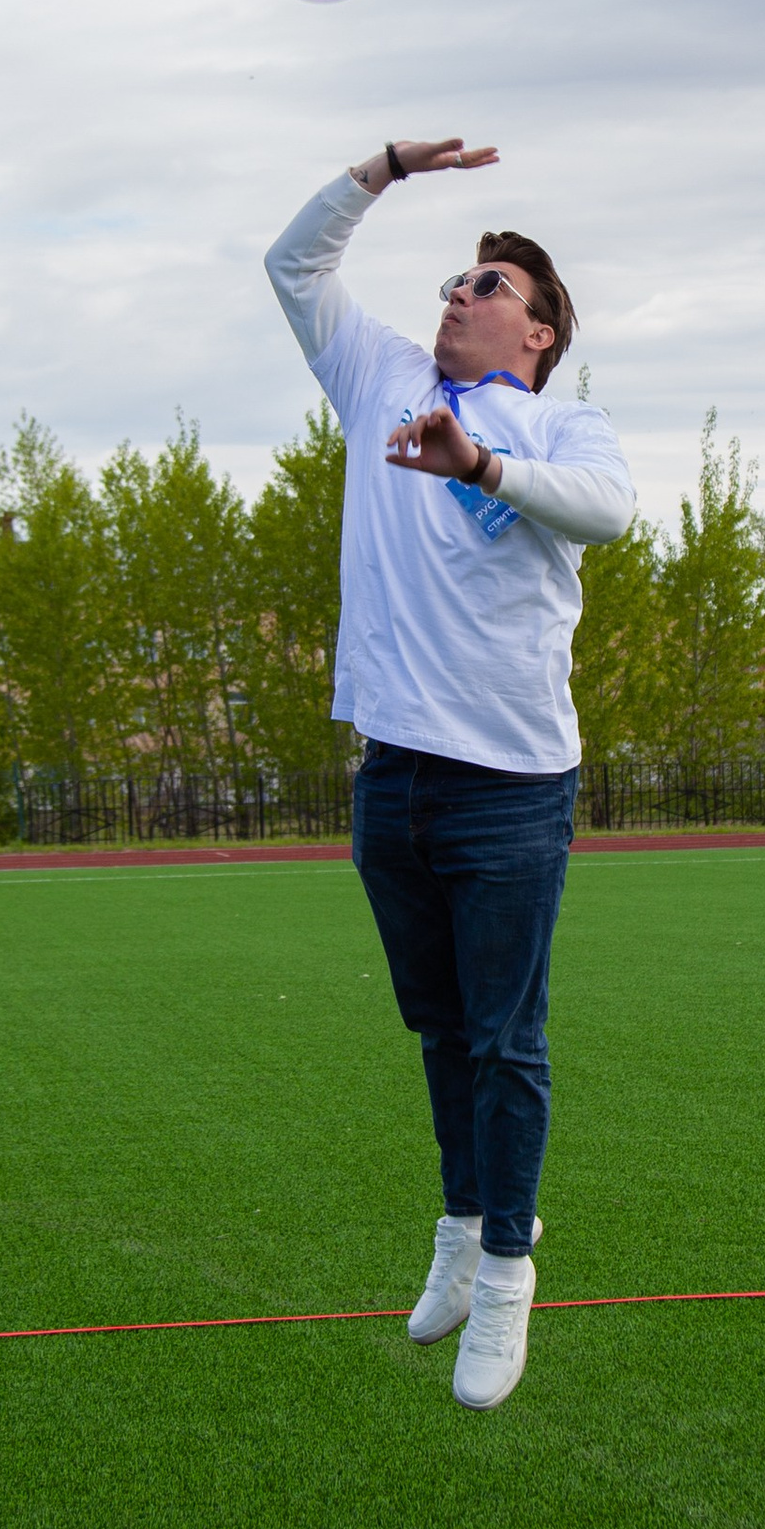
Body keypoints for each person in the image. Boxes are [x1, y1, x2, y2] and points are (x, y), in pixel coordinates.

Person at [266, 138, 635, 1410]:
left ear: (537, 333)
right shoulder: (379, 376)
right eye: (454, 281)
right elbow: (292, 264)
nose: (456, 296)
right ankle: (463, 1234)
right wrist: (380, 171)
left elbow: (607, 512)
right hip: (392, 777)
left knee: (505, 1039)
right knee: (436, 1028)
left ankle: (513, 1273)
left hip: (511, 784)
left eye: (487, 286)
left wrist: (477, 464)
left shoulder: (561, 425)